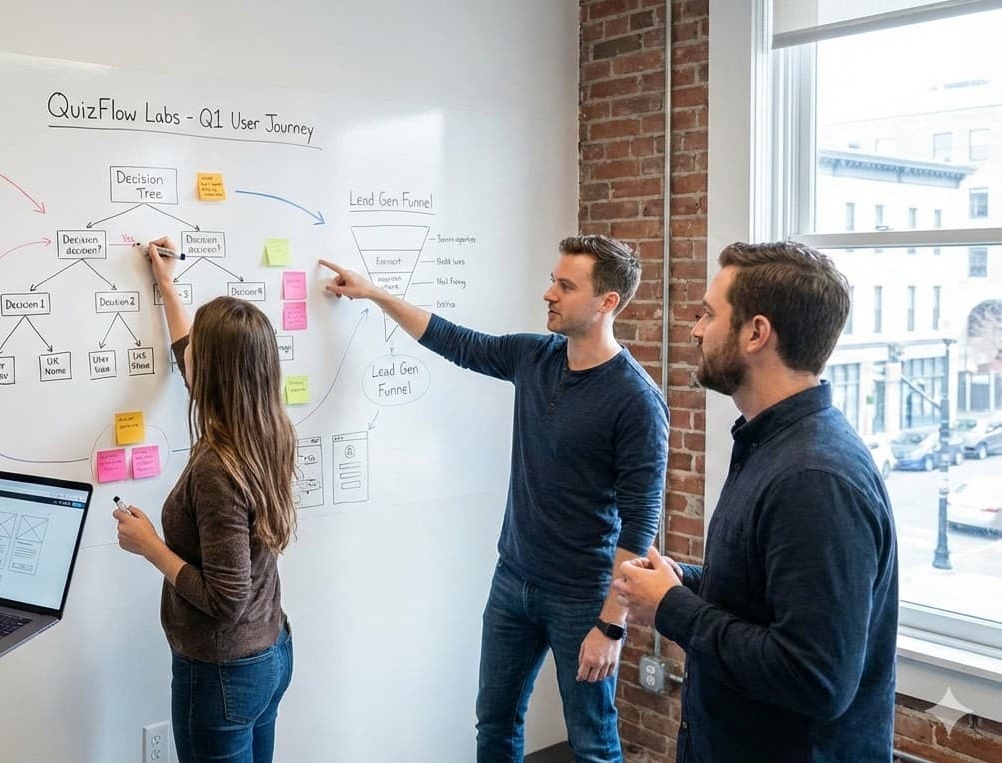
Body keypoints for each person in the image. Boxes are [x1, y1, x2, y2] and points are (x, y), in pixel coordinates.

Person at [320, 235, 667, 762]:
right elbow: (456, 341)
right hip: (514, 580)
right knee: (496, 724)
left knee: (593, 743)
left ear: (607, 303)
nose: (548, 292)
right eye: (553, 279)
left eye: (565, 285)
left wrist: (610, 624)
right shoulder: (535, 356)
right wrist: (375, 294)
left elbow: (641, 523)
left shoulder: (636, 400)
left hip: (582, 595)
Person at [612, 241, 898, 762]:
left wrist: (671, 606)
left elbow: (814, 679)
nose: (696, 330)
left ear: (756, 333)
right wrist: (685, 580)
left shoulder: (814, 478)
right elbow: (761, 593)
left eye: (708, 314)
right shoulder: (768, 445)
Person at [114, 235, 297, 763]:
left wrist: (150, 545)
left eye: (198, 351)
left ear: (213, 371)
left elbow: (225, 598)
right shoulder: (266, 426)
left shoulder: (219, 465)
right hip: (268, 653)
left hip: (223, 672)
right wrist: (166, 282)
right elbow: (185, 347)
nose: (186, 353)